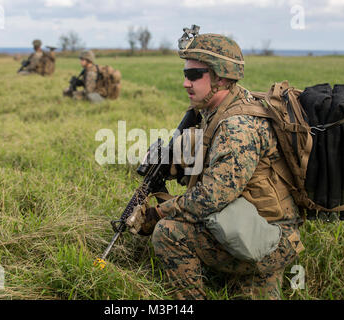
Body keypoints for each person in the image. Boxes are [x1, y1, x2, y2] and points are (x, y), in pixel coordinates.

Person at [125, 28, 305, 300]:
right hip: (252, 220)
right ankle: (251, 275)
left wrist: (158, 213)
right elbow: (208, 152)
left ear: (221, 78)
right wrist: (172, 162)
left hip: (270, 235)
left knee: (168, 233)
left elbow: (209, 199)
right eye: (185, 74)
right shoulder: (222, 107)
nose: (186, 82)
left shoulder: (237, 128)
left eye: (194, 75)